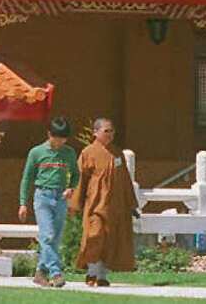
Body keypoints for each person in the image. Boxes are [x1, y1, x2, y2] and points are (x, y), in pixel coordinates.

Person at [69, 117, 139, 287]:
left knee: (109, 241)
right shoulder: (87, 153)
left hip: (115, 207)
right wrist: (74, 204)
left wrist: (131, 205)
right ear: (95, 132)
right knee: (95, 237)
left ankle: (101, 276)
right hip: (95, 206)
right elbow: (79, 180)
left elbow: (125, 180)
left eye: (112, 131)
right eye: (106, 131)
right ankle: (91, 273)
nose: (110, 134)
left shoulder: (117, 153)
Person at [18, 116, 79, 288]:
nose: (59, 142)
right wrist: (23, 203)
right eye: (56, 137)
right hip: (42, 197)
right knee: (47, 236)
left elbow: (75, 174)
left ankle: (40, 272)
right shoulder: (36, 152)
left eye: (63, 138)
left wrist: (71, 188)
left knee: (55, 239)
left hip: (60, 198)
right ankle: (56, 272)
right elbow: (26, 178)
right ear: (49, 134)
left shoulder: (69, 153)